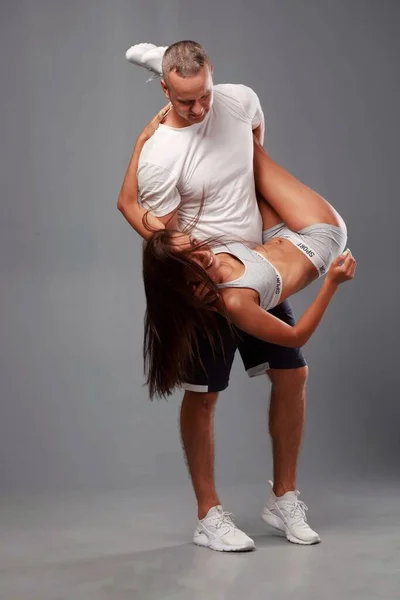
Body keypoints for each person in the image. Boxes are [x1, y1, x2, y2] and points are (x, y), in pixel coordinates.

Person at [118, 40, 332, 551]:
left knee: (292, 372)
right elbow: (162, 235)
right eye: (186, 101)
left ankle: (283, 498)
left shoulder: (236, 100)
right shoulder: (161, 155)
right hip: (208, 281)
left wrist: (261, 215)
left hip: (255, 265)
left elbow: (253, 144)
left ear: (213, 80)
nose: (199, 110)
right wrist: (205, 275)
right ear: (166, 90)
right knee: (205, 394)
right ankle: (208, 514)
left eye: (204, 96)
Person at [141, 135, 354, 400]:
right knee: (248, 147)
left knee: (238, 158)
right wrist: (332, 283)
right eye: (190, 260)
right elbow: (296, 337)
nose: (203, 254)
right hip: (318, 239)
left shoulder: (206, 264)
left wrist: (143, 141)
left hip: (274, 234)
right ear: (180, 278)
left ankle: (197, 111)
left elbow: (128, 206)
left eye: (195, 244)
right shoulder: (234, 303)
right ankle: (199, 111)